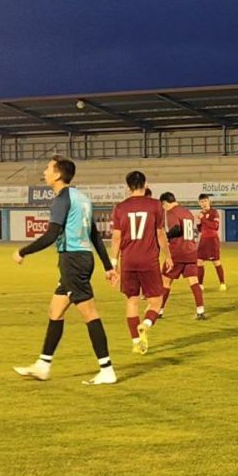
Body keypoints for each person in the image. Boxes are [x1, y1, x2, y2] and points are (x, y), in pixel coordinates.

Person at [12, 156, 118, 385]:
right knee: (55, 310)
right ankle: (43, 365)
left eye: (48, 168)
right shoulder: (83, 198)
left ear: (58, 174)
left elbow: (51, 235)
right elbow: (94, 236)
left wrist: (23, 252)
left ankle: (107, 369)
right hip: (82, 258)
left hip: (72, 260)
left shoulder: (62, 199)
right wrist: (108, 266)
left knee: (90, 313)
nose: (45, 171)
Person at [109, 171, 169, 354]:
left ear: (127, 187)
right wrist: (169, 255)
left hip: (128, 261)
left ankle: (136, 342)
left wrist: (114, 264)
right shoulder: (155, 205)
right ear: (146, 184)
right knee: (156, 301)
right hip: (148, 260)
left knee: (132, 301)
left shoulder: (120, 208)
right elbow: (160, 234)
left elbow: (116, 238)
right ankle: (146, 324)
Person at [159, 192, 206, 320]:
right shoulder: (187, 212)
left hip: (177, 252)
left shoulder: (171, 212)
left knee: (165, 282)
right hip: (191, 252)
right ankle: (200, 310)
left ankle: (159, 310)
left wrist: (165, 236)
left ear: (165, 203)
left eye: (163, 206)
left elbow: (177, 229)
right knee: (194, 282)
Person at [196, 193, 226, 291]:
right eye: (201, 202)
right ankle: (200, 284)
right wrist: (198, 224)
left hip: (212, 240)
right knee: (199, 262)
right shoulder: (201, 213)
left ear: (209, 201)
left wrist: (203, 219)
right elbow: (201, 229)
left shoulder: (214, 212)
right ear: (199, 203)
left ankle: (222, 283)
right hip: (203, 240)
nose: (204, 203)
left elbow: (215, 226)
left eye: (205, 201)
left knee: (216, 262)